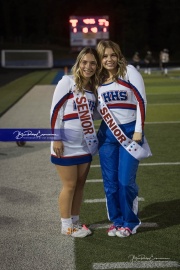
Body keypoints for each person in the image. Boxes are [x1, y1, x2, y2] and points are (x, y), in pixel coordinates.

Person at [96, 40, 151, 238]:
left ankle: (130, 222)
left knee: (125, 181)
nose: (109, 59)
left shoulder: (129, 71)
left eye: (112, 55)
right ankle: (117, 221)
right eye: (104, 56)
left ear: (118, 55)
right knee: (110, 184)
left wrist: (138, 130)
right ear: (99, 59)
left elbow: (141, 101)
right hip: (107, 135)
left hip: (130, 132)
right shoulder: (97, 79)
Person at [50, 47, 100, 237]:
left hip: (84, 143)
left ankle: (76, 222)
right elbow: (55, 111)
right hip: (66, 143)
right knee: (69, 185)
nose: (88, 66)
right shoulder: (67, 82)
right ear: (78, 63)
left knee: (80, 185)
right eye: (84, 62)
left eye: (93, 63)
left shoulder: (92, 90)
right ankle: (66, 227)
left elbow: (93, 114)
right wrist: (56, 138)